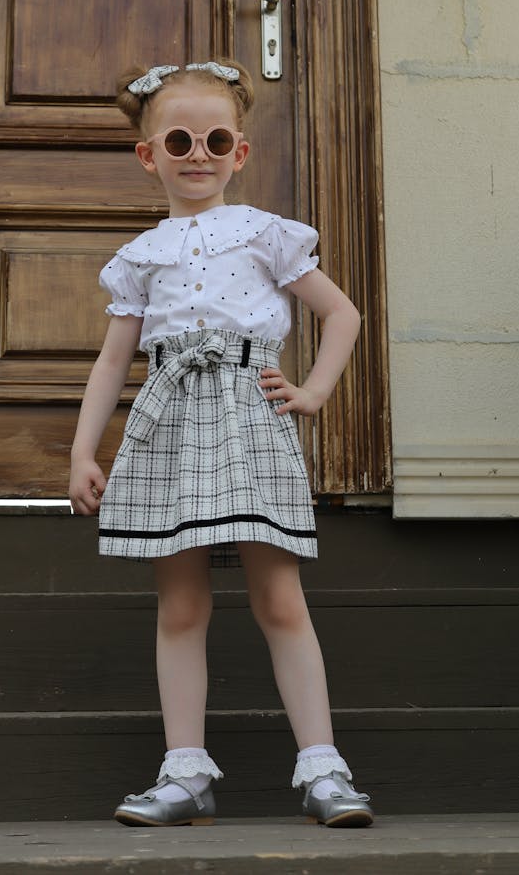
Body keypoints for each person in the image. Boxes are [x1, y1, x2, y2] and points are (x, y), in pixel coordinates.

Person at [68, 59, 373, 829]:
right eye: (178, 138)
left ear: (239, 151)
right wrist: (83, 452)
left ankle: (323, 767)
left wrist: (313, 391)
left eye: (214, 139)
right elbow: (112, 361)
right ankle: (184, 772)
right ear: (150, 154)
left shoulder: (264, 232)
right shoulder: (140, 256)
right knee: (181, 604)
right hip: (169, 424)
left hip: (247, 417)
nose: (196, 152)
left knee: (278, 595)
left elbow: (342, 314)